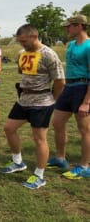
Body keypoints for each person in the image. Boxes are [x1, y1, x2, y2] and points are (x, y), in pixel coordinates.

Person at [0, 24, 65, 189]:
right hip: (24, 99)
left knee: (38, 138)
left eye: (24, 41)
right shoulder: (22, 53)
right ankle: (18, 162)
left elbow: (59, 80)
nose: (22, 44)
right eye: (20, 41)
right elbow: (24, 74)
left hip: (42, 101)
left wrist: (54, 99)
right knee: (9, 128)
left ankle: (39, 175)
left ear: (34, 36)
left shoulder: (48, 54)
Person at [47, 14, 90, 179]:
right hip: (68, 87)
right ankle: (60, 158)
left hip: (83, 87)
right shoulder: (71, 45)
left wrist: (86, 102)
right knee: (57, 123)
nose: (66, 29)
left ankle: (84, 166)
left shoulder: (89, 46)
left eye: (69, 26)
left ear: (79, 26)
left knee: (84, 130)